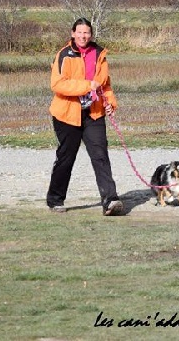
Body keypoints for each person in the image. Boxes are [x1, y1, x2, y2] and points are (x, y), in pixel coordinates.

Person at [46, 18, 124, 216]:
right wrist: (86, 85)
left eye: (87, 33)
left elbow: (105, 84)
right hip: (67, 114)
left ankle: (110, 200)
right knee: (66, 157)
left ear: (91, 34)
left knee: (100, 155)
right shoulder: (64, 55)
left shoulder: (99, 55)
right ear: (73, 33)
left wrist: (110, 103)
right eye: (80, 32)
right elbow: (58, 85)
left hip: (94, 113)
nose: (83, 36)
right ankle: (55, 199)